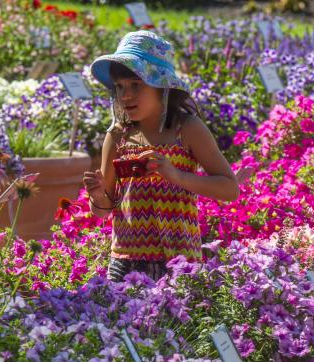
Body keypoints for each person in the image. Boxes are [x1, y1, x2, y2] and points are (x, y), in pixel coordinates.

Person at [83, 30, 239, 282]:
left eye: (136, 85)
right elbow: (103, 210)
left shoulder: (186, 129)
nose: (126, 95)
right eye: (120, 87)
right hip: (125, 263)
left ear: (161, 86)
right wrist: (98, 194)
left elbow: (230, 188)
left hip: (179, 262)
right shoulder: (117, 136)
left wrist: (176, 175)